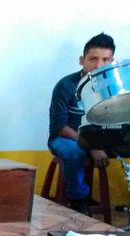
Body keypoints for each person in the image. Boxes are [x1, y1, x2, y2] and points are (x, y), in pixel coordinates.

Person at [48, 33, 115, 214]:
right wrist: (91, 146)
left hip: (98, 140)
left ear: (112, 62)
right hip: (65, 138)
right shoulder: (66, 85)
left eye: (105, 60)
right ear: (81, 60)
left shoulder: (114, 87)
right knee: (75, 153)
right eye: (93, 59)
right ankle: (78, 198)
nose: (98, 65)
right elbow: (60, 127)